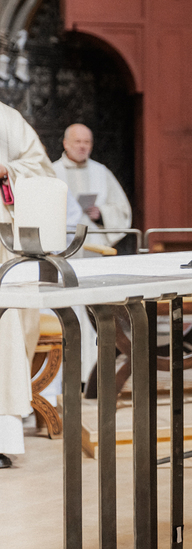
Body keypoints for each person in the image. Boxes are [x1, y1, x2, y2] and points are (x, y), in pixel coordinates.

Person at [0, 103, 57, 468]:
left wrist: (7, 170)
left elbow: (40, 167)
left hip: (1, 244)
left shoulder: (6, 119)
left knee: (3, 335)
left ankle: (0, 438)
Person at [52, 123, 132, 252]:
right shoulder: (52, 172)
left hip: (94, 241)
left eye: (87, 142)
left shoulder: (101, 171)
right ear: (66, 144)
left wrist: (101, 214)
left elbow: (122, 209)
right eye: (77, 141)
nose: (82, 146)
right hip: (63, 241)